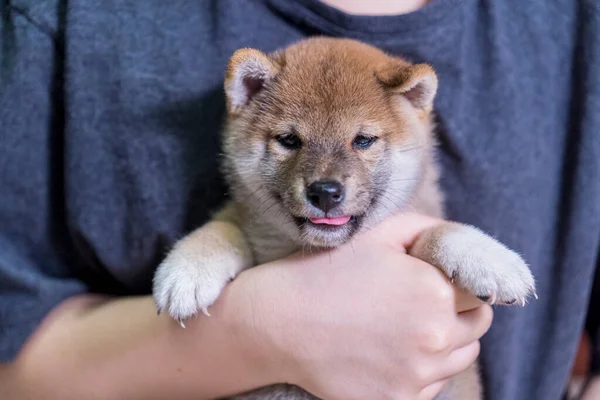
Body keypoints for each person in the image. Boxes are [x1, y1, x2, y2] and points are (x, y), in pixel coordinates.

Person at [0, 0, 598, 399]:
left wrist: (452, 243)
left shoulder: (574, 25)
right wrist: (254, 326)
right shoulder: (66, 20)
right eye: (289, 141)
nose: (327, 178)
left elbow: (425, 230)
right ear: (248, 96)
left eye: (364, 142)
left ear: (415, 104)